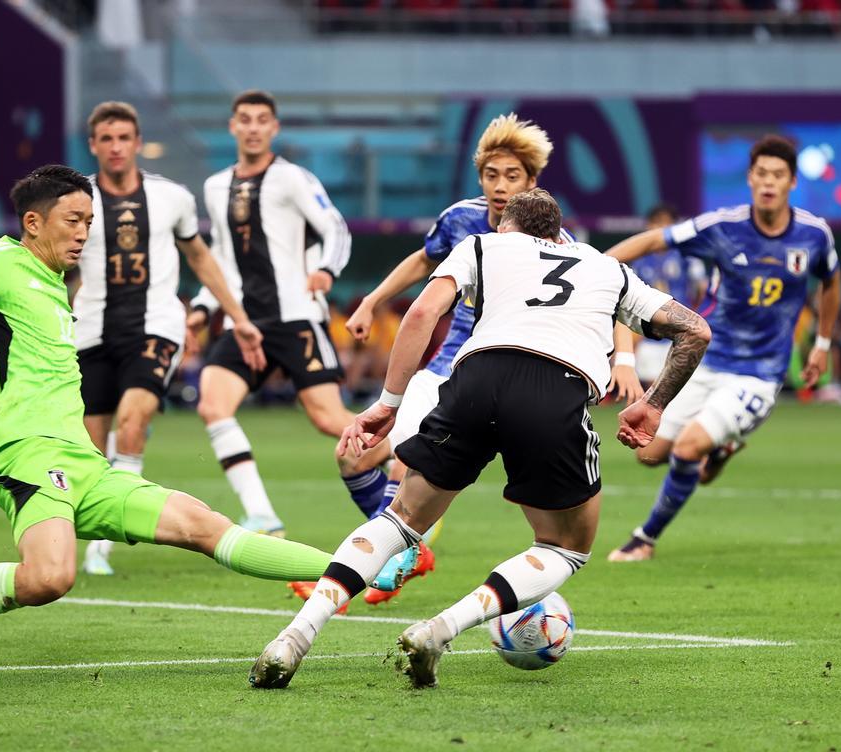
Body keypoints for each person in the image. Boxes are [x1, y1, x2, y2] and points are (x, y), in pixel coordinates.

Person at [0, 164, 334, 670]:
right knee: (50, 578)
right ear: (33, 222)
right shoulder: (1, 263)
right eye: (73, 220)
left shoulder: (58, 284)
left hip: (85, 466)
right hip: (26, 452)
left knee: (204, 525)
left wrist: (359, 568)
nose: (84, 233)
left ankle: (356, 566)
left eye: (89, 222)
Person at [247, 188, 711, 689]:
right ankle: (439, 630)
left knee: (401, 519)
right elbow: (696, 331)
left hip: (474, 380)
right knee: (566, 547)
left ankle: (293, 638)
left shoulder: (482, 245)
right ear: (558, 234)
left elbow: (422, 314)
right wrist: (654, 403)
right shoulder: (605, 267)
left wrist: (387, 403)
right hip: (555, 391)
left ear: (506, 227)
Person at [328, 113, 639, 604]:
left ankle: (389, 558)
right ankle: (407, 549)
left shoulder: (560, 244)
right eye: (491, 175)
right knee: (355, 456)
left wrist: (623, 358)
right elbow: (422, 259)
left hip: (510, 374)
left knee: (398, 464)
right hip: (449, 365)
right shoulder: (461, 220)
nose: (499, 186)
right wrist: (371, 299)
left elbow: (609, 292)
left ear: (532, 182)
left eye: (512, 176)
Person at [606, 135, 841, 562]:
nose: (769, 182)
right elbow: (654, 240)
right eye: (762, 174)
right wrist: (598, 269)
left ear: (791, 182)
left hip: (759, 372)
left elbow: (830, 281)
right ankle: (721, 448)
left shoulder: (813, 235)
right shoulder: (722, 227)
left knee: (687, 448)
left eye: (779, 175)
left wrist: (821, 344)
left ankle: (644, 539)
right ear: (750, 178)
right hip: (705, 362)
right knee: (646, 452)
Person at [73, 101, 266, 576]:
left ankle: (104, 545)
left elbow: (200, 258)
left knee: (133, 418)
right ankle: (101, 526)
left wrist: (237, 316)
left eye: (124, 138)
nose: (116, 147)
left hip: (156, 325)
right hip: (92, 328)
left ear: (138, 144)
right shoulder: (76, 201)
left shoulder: (171, 198)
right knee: (91, 447)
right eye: (106, 139)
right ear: (93, 144)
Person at [188, 89, 353, 536]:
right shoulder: (215, 186)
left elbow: (334, 226)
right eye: (245, 119)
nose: (254, 127)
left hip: (297, 317)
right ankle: (262, 515)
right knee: (212, 403)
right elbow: (220, 255)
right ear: (233, 126)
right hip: (245, 322)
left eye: (263, 119)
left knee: (330, 421)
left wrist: (325, 270)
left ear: (274, 128)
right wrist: (205, 307)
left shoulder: (293, 178)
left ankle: (409, 463)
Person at [628, 203, 707, 384]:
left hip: (681, 334)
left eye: (665, 223)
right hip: (650, 335)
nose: (659, 228)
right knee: (652, 389)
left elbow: (702, 290)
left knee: (680, 389)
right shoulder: (640, 260)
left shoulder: (687, 256)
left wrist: (696, 319)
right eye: (655, 223)